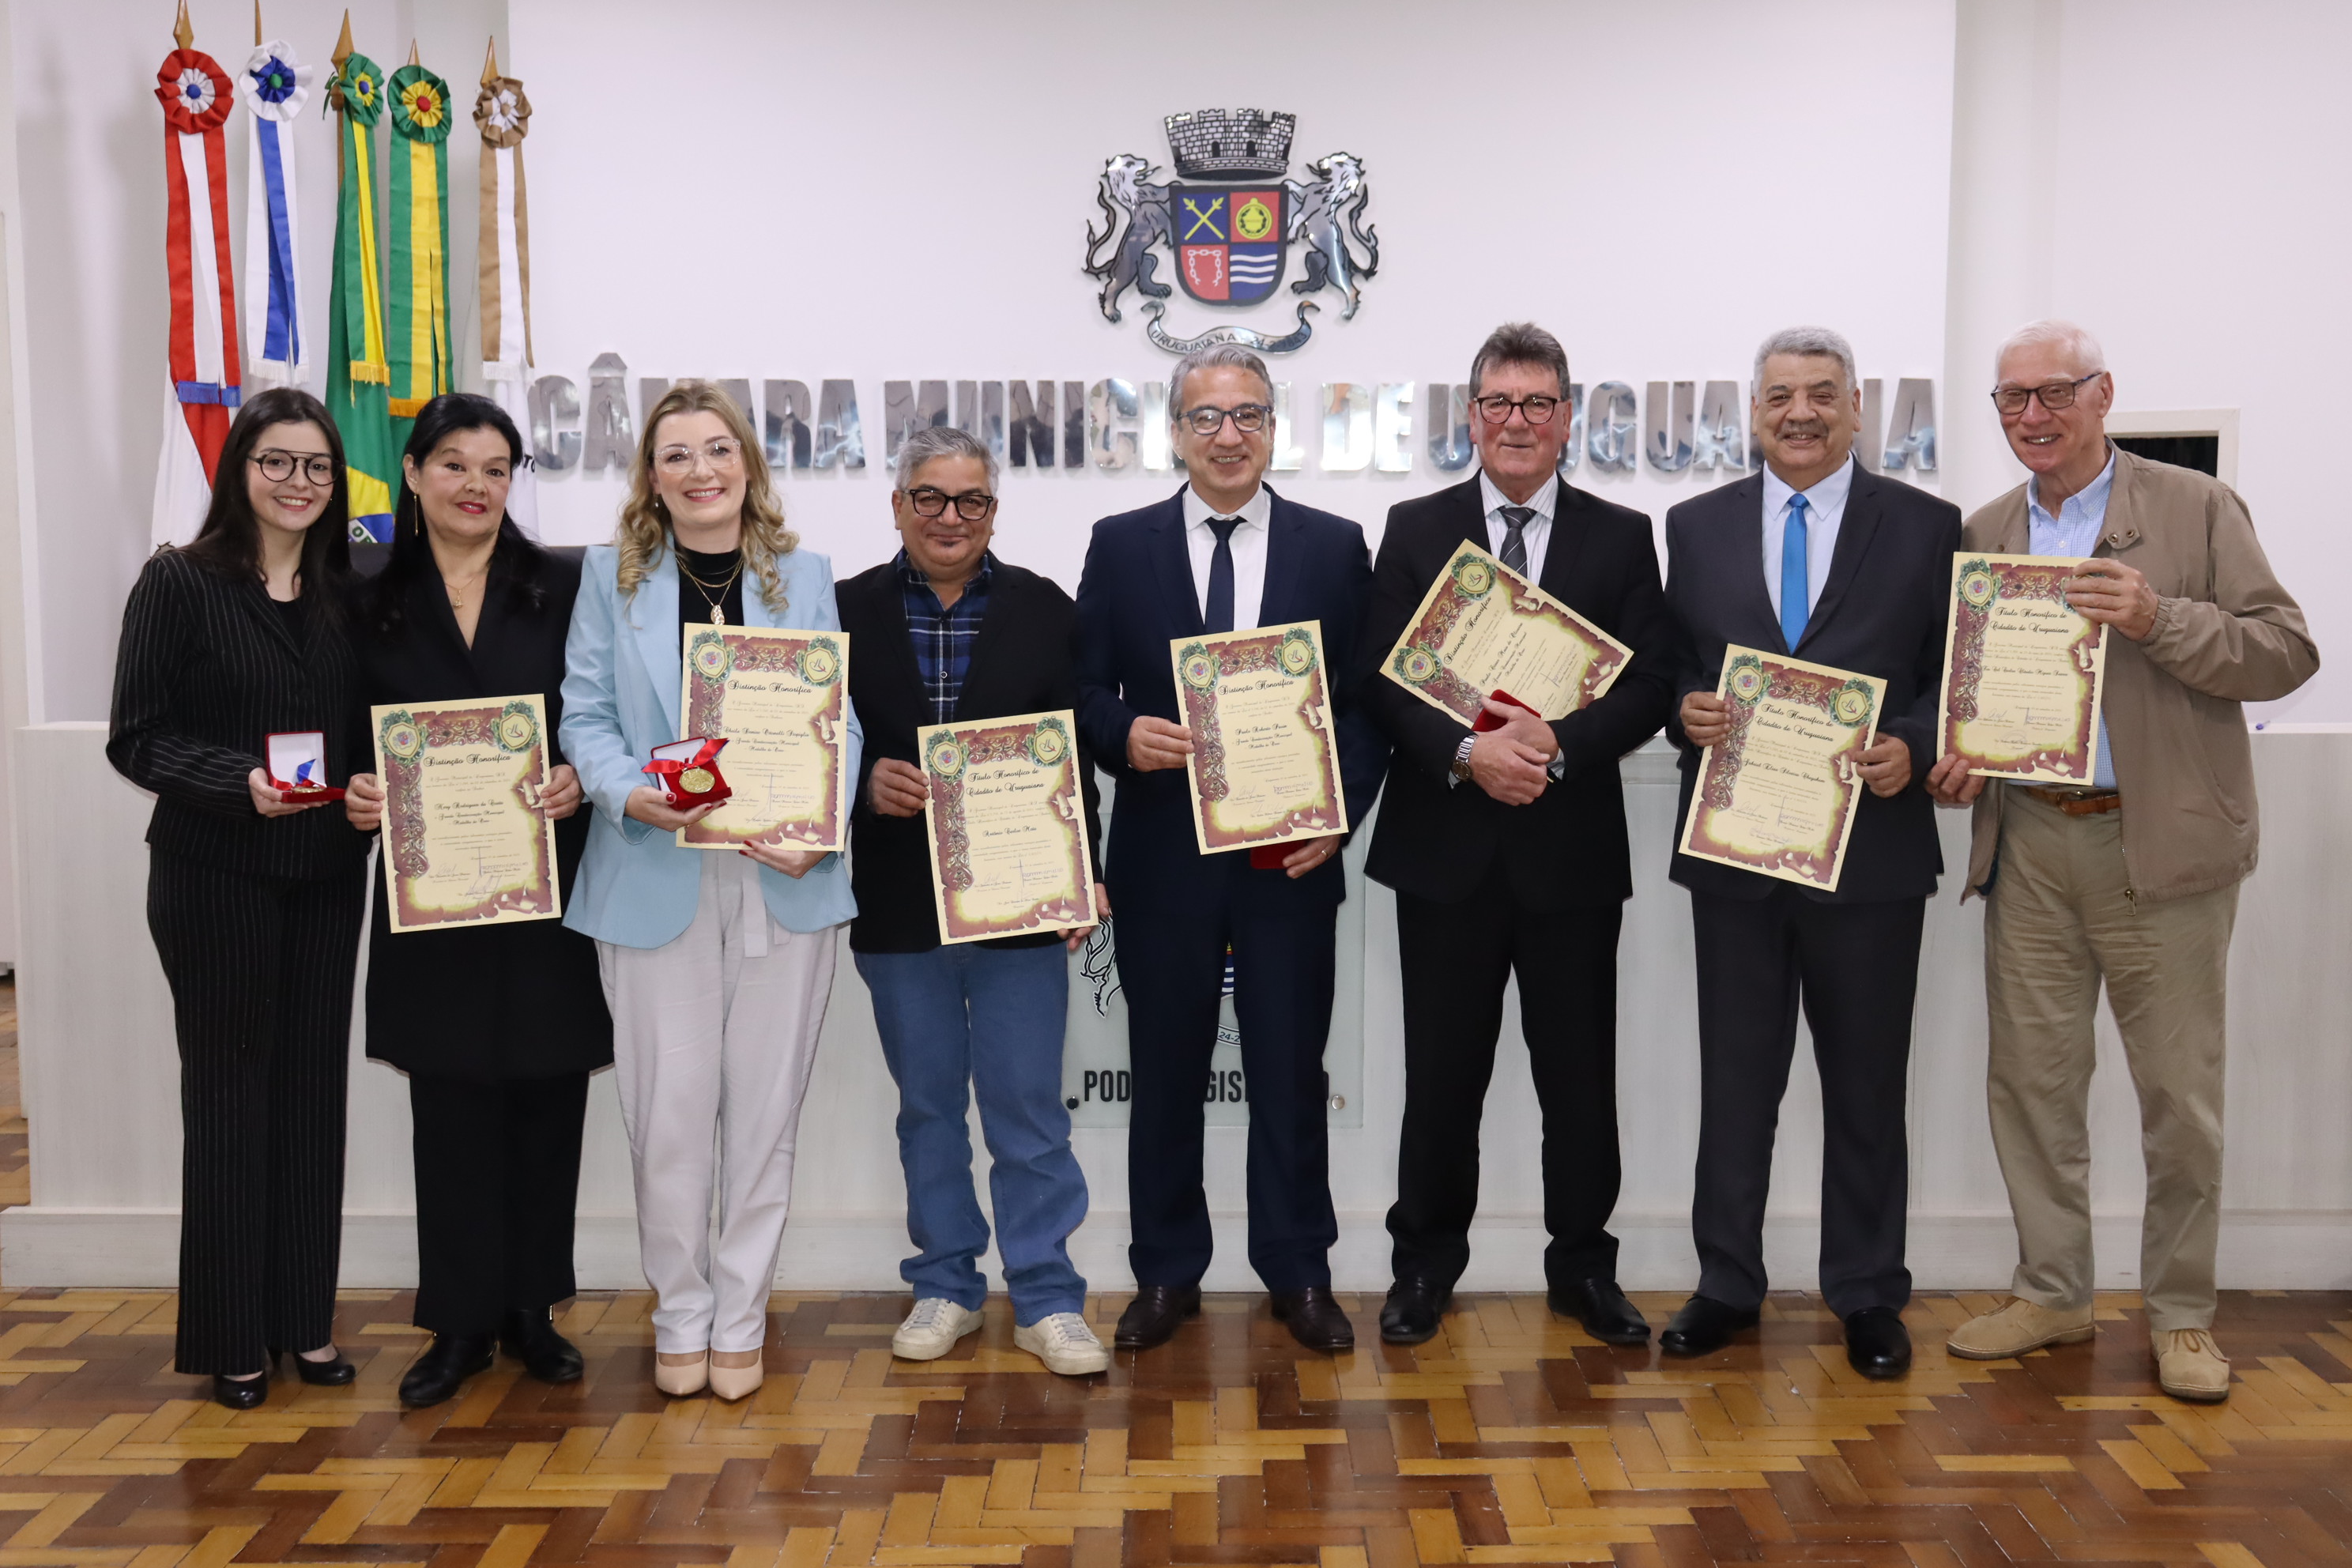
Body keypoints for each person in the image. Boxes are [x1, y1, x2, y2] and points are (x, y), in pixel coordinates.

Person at [1930, 321, 2317, 1403]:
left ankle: (2183, 1315)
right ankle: (2052, 1289)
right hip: (2032, 840)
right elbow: (1971, 689)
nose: (2032, 417)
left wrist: (2160, 616)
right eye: (2011, 400)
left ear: (2104, 395)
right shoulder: (1987, 528)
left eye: (2054, 393)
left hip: (2162, 845)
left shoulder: (2195, 509)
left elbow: (2286, 650)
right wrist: (1960, 764)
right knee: (2034, 1086)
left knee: (2179, 1099)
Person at [1357, 322, 1674, 1347]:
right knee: (1441, 1082)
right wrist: (1466, 753)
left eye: (1539, 405)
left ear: (1568, 418)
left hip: (1569, 856)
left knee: (1579, 1083)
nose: (1519, 423)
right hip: (1445, 855)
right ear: (1472, 417)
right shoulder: (1413, 529)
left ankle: (1584, 1269)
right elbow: (1383, 681)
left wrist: (1558, 746)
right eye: (1500, 404)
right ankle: (1422, 1269)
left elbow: (1649, 688)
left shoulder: (1622, 537)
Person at [1660, 326, 1961, 1380]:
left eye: (1822, 395)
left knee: (1867, 1085)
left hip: (1869, 855)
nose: (1800, 412)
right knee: (1737, 1082)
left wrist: (1913, 748)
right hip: (1737, 851)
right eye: (1781, 394)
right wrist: (1682, 712)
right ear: (1753, 410)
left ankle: (1869, 1292)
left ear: (1856, 408)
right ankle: (1727, 1282)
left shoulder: (1927, 527)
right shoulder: (1691, 528)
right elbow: (1672, 671)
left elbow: (1944, 672)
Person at [1075, 345, 1389, 1355]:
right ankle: (1165, 1273)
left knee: (1291, 1075)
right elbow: (1078, 691)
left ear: (1272, 428)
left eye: (1248, 415)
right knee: (1162, 1074)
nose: (1228, 435)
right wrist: (1122, 734)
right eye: (1207, 418)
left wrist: (1337, 812)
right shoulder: (1119, 545)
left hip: (1287, 863)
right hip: (1164, 861)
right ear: (1175, 430)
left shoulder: (1334, 546)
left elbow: (1368, 707)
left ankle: (1298, 1271)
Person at [560, 380, 861, 1401]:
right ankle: (679, 1309)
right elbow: (585, 717)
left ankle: (742, 1312)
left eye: (718, 449)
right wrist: (632, 799)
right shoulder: (611, 577)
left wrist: (821, 826)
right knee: (671, 1115)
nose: (701, 470)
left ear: (749, 465)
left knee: (766, 1115)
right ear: (652, 475)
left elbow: (841, 724)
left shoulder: (804, 575)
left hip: (783, 882)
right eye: (677, 453)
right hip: (655, 875)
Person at [341, 394, 611, 1408]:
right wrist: (356, 786)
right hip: (430, 892)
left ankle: (532, 1311)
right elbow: (338, 731)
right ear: (412, 475)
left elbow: (604, 712)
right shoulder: (361, 589)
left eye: (495, 468)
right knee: (448, 1103)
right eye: (453, 464)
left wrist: (581, 772)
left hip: (543, 879)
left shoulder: (567, 583)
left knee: (548, 1093)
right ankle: (458, 1322)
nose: (474, 485)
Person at [106, 387, 368, 1409]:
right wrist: (237, 784)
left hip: (325, 879)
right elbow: (137, 735)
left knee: (311, 1102)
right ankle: (232, 1339)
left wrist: (375, 787)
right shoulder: (178, 582)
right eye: (277, 462)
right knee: (228, 1103)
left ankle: (304, 1324)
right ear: (239, 469)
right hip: (214, 877)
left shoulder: (349, 591)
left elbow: (363, 736)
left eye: (316, 467)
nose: (298, 483)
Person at [838, 425, 1110, 1377]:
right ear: (900, 503)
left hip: (1022, 907)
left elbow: (1074, 758)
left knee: (1029, 1110)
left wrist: (1088, 870)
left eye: (972, 501)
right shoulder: (842, 612)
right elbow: (814, 748)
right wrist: (865, 782)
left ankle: (1044, 1296)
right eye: (931, 498)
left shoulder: (1046, 609)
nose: (952, 518)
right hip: (899, 907)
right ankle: (946, 1283)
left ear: (994, 509)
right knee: (926, 1109)